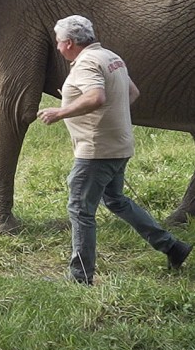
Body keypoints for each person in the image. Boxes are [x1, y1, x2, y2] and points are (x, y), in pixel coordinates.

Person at [37, 15, 191, 284]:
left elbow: (96, 97)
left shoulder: (86, 63)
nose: (58, 46)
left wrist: (61, 112)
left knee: (80, 209)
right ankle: (173, 247)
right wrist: (106, 114)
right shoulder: (110, 56)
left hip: (97, 151)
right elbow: (132, 93)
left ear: (70, 43)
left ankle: (80, 277)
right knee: (116, 200)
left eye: (59, 41)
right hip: (119, 144)